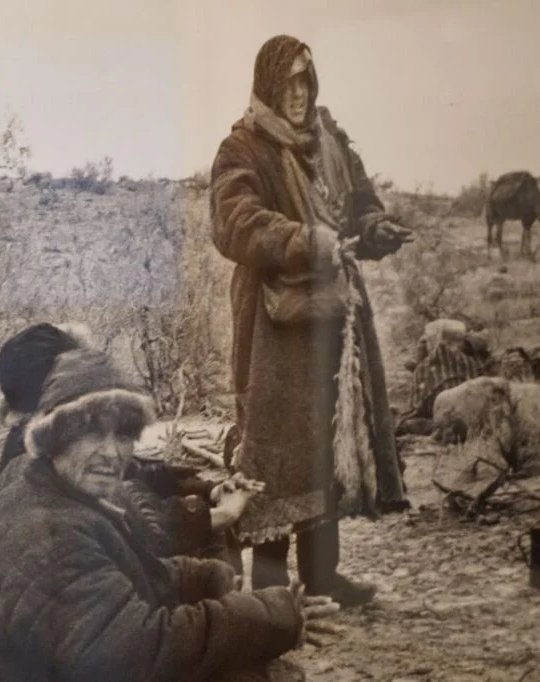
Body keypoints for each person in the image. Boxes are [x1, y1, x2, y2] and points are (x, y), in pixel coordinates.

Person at [0, 343, 338, 681]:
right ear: (54, 437)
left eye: (124, 434)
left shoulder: (49, 487)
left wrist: (207, 577)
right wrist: (270, 616)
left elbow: (134, 574)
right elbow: (138, 653)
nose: (111, 453)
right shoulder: (47, 532)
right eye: (91, 431)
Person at [209, 35, 411, 606]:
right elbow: (234, 222)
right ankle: (272, 591)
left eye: (305, 81)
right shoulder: (242, 148)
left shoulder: (331, 143)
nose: (297, 94)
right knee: (274, 447)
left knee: (328, 437)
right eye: (288, 83)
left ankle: (324, 577)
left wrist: (374, 230)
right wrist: (304, 240)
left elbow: (360, 204)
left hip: (334, 321)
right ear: (269, 85)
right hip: (274, 327)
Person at [0, 322, 260, 562]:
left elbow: (134, 472)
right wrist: (217, 516)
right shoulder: (28, 465)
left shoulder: (49, 437)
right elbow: (136, 524)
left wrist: (208, 491)